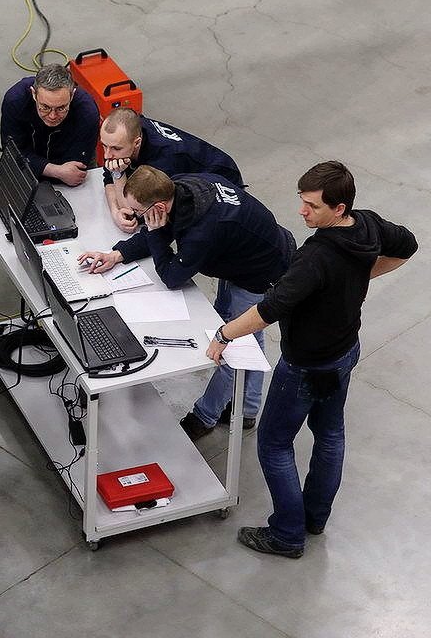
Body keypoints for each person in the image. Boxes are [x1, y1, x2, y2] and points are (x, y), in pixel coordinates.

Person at [206, 161, 416, 558]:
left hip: (304, 364)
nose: (302, 211)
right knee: (330, 434)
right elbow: (407, 245)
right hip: (343, 352)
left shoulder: (315, 257)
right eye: (302, 201)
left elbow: (270, 308)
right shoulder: (367, 225)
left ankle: (287, 534)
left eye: (313, 206)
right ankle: (315, 517)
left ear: (339, 208)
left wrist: (224, 334)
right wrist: (357, 277)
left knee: (273, 444)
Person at [78, 165, 295, 434]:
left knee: (233, 345)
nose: (137, 217)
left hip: (261, 271)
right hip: (239, 254)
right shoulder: (179, 186)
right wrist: (116, 255)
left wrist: (154, 233)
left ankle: (205, 417)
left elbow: (171, 275)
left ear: (159, 206)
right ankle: (248, 408)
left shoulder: (203, 230)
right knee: (240, 334)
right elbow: (158, 230)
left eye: (139, 212)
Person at [99, 109, 243, 234]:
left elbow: (136, 211)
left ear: (137, 142)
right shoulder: (129, 132)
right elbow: (108, 175)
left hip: (222, 182)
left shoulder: (164, 161)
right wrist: (115, 211)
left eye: (116, 148)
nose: (107, 155)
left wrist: (118, 175)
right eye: (104, 146)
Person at [0, 64, 99, 187]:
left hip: (68, 174)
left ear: (72, 95)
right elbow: (13, 154)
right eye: (45, 107)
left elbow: (75, 169)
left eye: (61, 108)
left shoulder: (87, 112)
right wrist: (56, 171)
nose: (52, 116)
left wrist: (41, 167)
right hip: (34, 168)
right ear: (34, 94)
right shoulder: (15, 101)